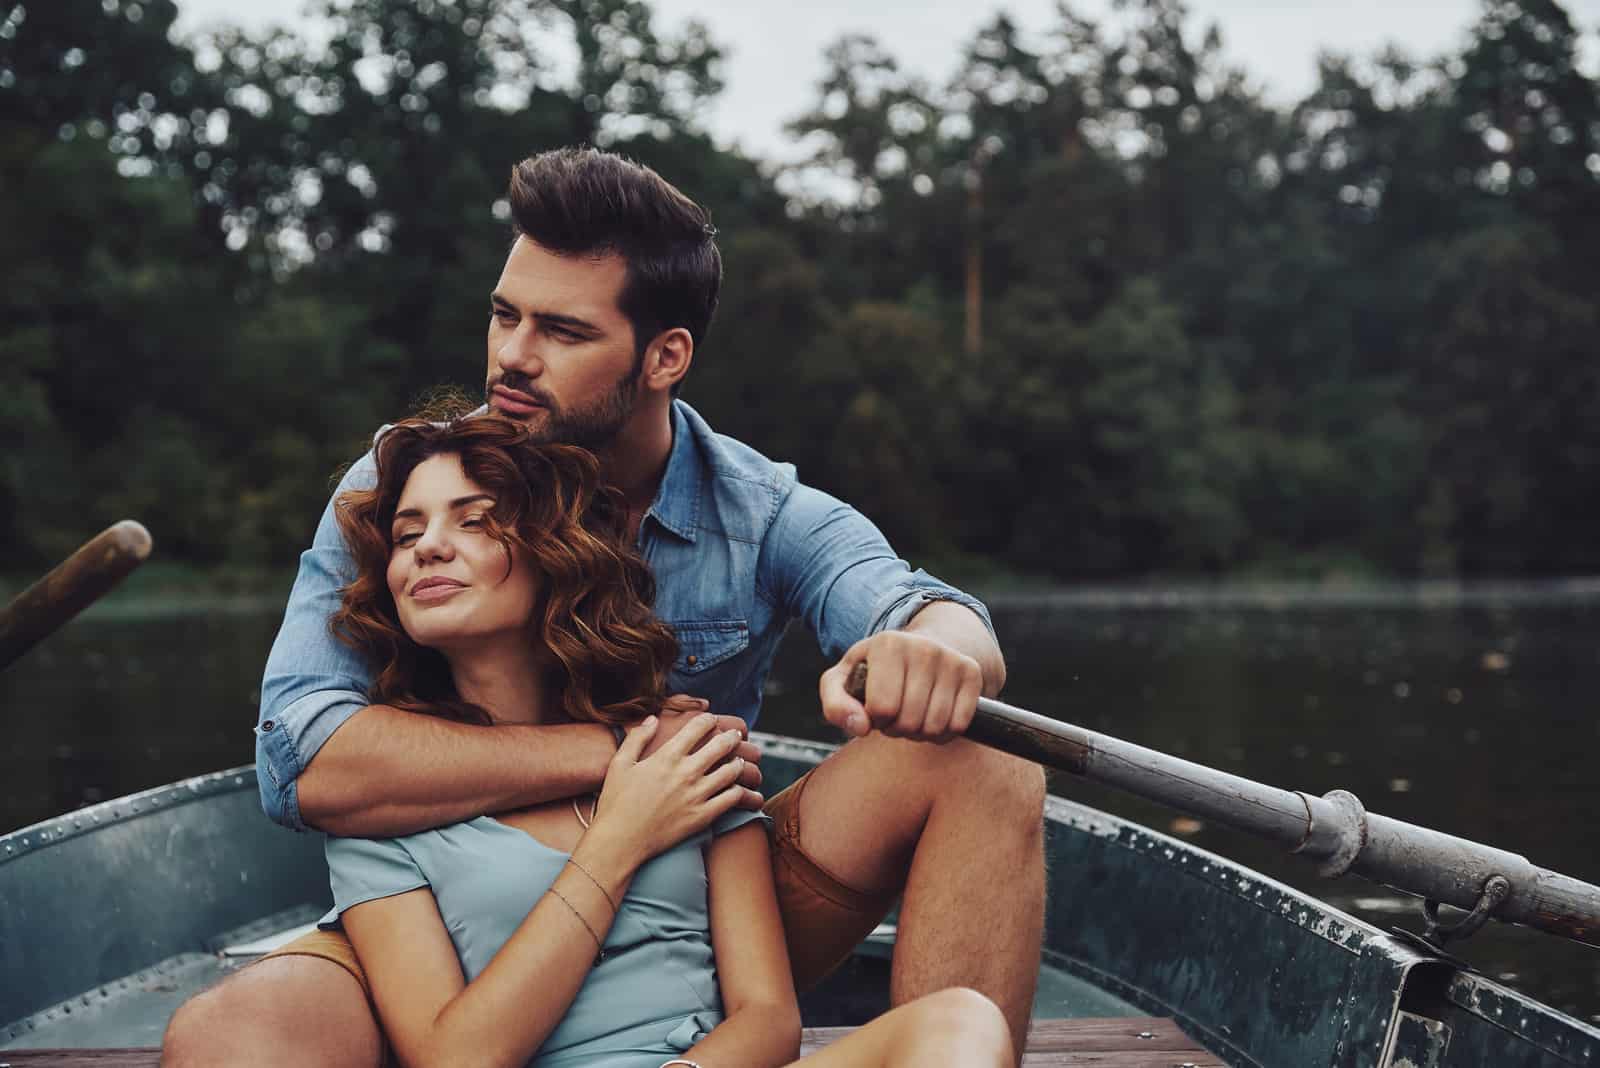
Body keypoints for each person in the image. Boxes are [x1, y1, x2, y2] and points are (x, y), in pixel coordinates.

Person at [162, 147, 1045, 1068]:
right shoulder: (409, 485)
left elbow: (920, 606)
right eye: (505, 315)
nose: (512, 356)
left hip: (695, 892)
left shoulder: (760, 511)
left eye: (564, 332)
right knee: (234, 1037)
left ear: (665, 355)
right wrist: (626, 758)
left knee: (985, 750)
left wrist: (938, 652)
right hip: (450, 908)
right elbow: (298, 760)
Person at [312, 411, 1012, 1067]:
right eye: (406, 536)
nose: (429, 545)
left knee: (960, 1022)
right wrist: (618, 840)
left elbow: (768, 1017)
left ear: (555, 553)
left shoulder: (681, 747)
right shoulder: (383, 808)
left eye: (474, 521)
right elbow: (456, 1058)